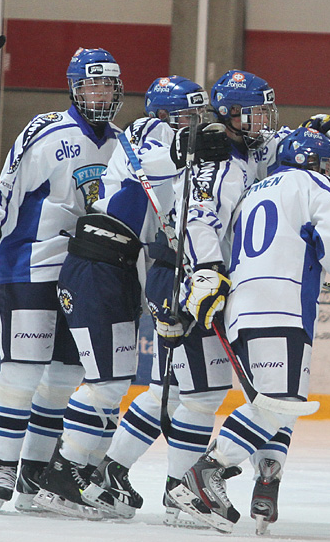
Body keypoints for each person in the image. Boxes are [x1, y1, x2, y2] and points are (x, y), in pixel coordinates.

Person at [166, 126, 330, 534]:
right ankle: (203, 474)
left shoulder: (254, 191)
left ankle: (260, 482)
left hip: (239, 310)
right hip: (282, 308)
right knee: (281, 403)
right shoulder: (314, 184)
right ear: (313, 161)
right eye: (329, 162)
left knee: (269, 403)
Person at [31, 76, 211, 519]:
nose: (197, 125)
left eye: (199, 116)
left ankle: (79, 471)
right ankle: (60, 473)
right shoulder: (149, 131)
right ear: (166, 115)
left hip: (121, 269)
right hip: (98, 266)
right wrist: (197, 146)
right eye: (188, 117)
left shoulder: (180, 153)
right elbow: (155, 158)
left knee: (114, 381)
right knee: (107, 382)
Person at [0, 47, 124, 514]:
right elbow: (4, 189)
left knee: (65, 375)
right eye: (93, 84)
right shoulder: (46, 131)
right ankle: (4, 466)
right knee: (24, 371)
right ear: (74, 88)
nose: (101, 93)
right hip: (31, 264)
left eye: (109, 84)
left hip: (82, 274)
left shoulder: (121, 144)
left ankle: (34, 473)